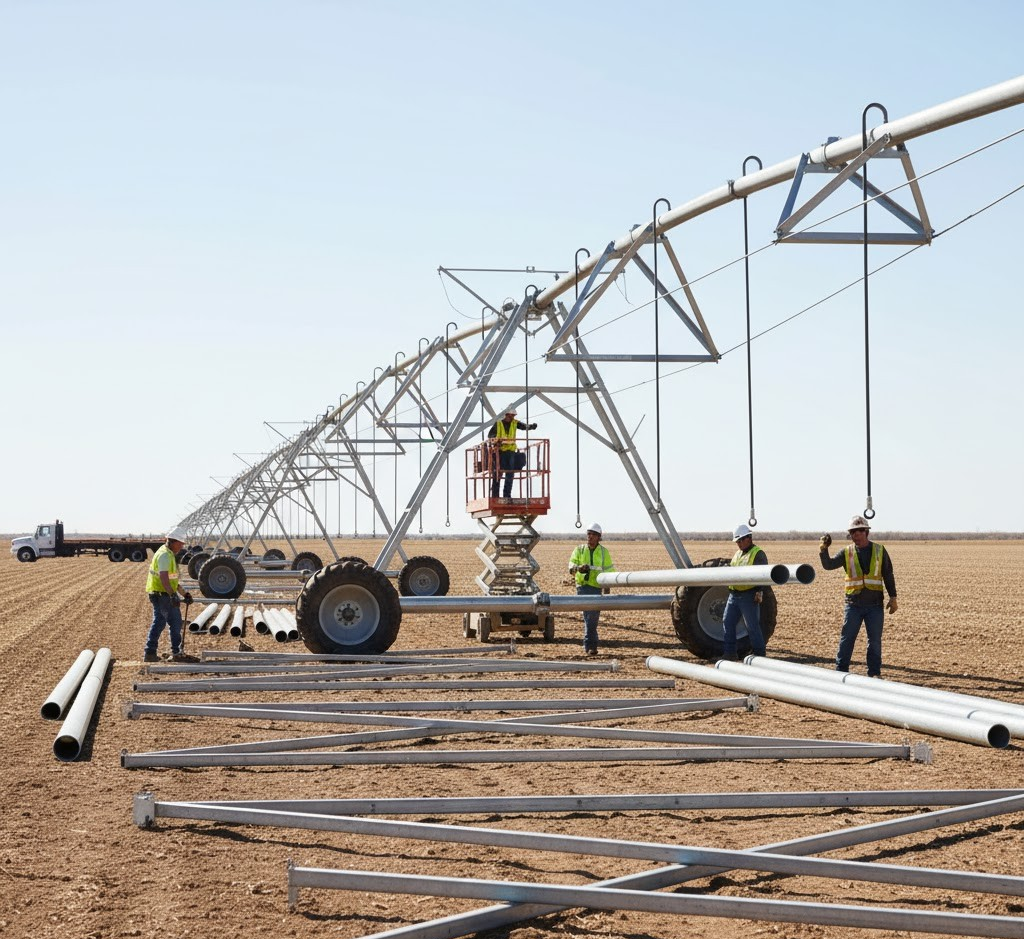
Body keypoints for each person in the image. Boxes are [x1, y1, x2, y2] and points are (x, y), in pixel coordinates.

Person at [819, 515, 897, 677]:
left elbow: (888, 574)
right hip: (853, 604)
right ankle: (840, 672)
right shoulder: (847, 552)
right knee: (847, 639)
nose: (855, 535)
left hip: (874, 605)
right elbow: (828, 565)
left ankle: (874, 673)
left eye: (859, 531)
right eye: (853, 532)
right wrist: (823, 549)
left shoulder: (879, 550)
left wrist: (893, 597)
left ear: (866, 532)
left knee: (874, 642)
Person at [142, 528, 193, 663]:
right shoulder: (164, 555)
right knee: (160, 621)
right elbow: (164, 578)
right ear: (172, 541)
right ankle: (150, 652)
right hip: (160, 594)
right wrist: (172, 595)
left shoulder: (169, 553)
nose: (182, 546)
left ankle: (176, 652)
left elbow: (172, 579)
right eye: (180, 543)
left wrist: (184, 593)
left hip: (166, 593)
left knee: (176, 622)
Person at [721, 523, 769, 660]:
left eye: (740, 540)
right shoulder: (738, 554)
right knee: (727, 622)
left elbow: (763, 574)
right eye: (737, 541)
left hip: (749, 595)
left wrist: (759, 591)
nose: (739, 544)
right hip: (734, 595)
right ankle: (730, 653)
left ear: (749, 538)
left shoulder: (758, 553)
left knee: (752, 626)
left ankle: (759, 655)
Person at [568, 523, 615, 655]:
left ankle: (590, 646)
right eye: (589, 534)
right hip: (582, 587)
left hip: (596, 588)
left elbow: (609, 570)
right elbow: (571, 566)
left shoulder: (604, 552)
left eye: (593, 534)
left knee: (592, 618)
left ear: (599, 537)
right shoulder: (579, 550)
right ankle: (590, 646)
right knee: (589, 617)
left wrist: (607, 586)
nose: (590, 537)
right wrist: (579, 568)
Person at [487, 405, 537, 499]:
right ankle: (495, 496)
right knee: (497, 474)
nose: (512, 417)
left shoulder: (514, 423)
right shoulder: (498, 424)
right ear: (506, 415)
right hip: (499, 452)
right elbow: (490, 435)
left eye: (513, 416)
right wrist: (497, 439)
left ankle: (507, 496)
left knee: (510, 474)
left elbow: (523, 426)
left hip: (510, 451)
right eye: (510, 415)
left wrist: (531, 427)